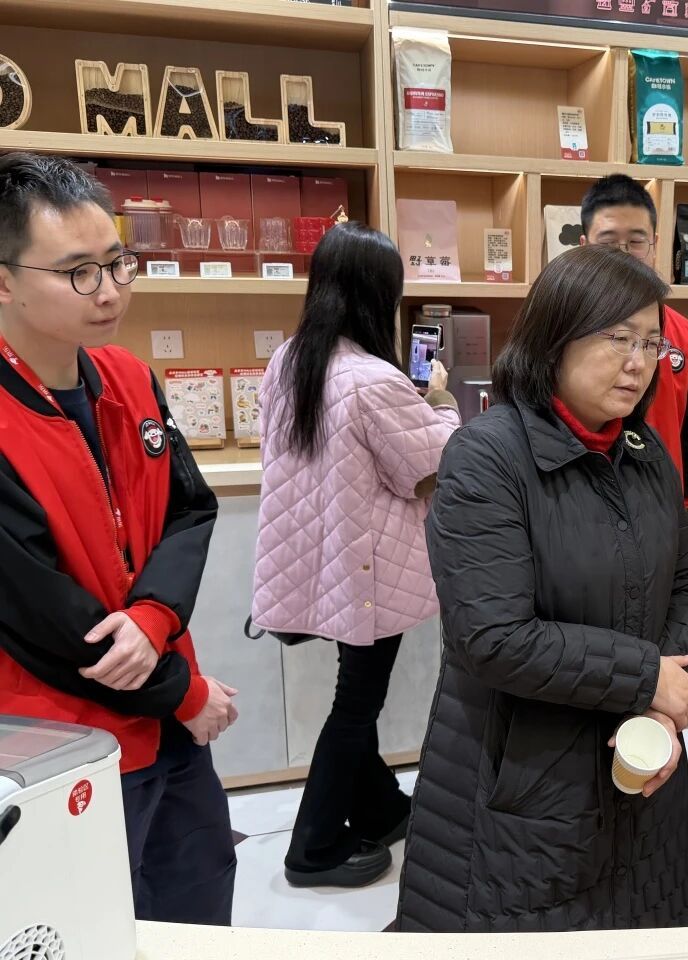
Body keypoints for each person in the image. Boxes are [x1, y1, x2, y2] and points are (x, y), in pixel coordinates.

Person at [397, 244, 688, 933]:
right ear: (555, 337)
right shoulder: (486, 456)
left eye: (651, 342)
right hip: (526, 785)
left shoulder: (647, 455)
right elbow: (493, 637)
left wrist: (666, 702)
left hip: (642, 763)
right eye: (618, 337)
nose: (638, 361)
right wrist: (646, 678)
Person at [0, 152, 236, 923]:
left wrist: (155, 618)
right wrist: (187, 693)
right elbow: (45, 619)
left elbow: (189, 511)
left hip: (166, 710)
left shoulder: (128, 377)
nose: (108, 291)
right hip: (65, 736)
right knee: (93, 920)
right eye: (77, 272)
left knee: (199, 897)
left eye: (116, 263)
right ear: (4, 281)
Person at [251, 222, 460, 889]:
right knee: (357, 704)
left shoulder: (291, 360)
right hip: (368, 569)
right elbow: (430, 470)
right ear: (378, 295)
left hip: (314, 564)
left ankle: (380, 808)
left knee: (354, 694)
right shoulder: (374, 379)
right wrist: (442, 401)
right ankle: (311, 849)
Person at [581, 173, 688, 507]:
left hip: (663, 504)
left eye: (636, 242)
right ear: (584, 246)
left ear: (655, 245)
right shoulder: (566, 330)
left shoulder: (684, 333)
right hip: (584, 505)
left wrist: (685, 497)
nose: (623, 255)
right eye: (608, 242)